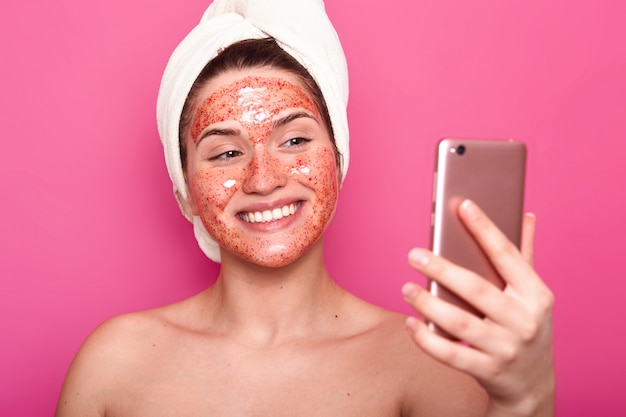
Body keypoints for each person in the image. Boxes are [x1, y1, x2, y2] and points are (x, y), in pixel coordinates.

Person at [55, 0, 555, 416]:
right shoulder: (115, 363)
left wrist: (527, 396)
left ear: (339, 160)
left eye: (294, 139)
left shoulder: (423, 363)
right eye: (226, 152)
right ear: (184, 191)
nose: (264, 178)